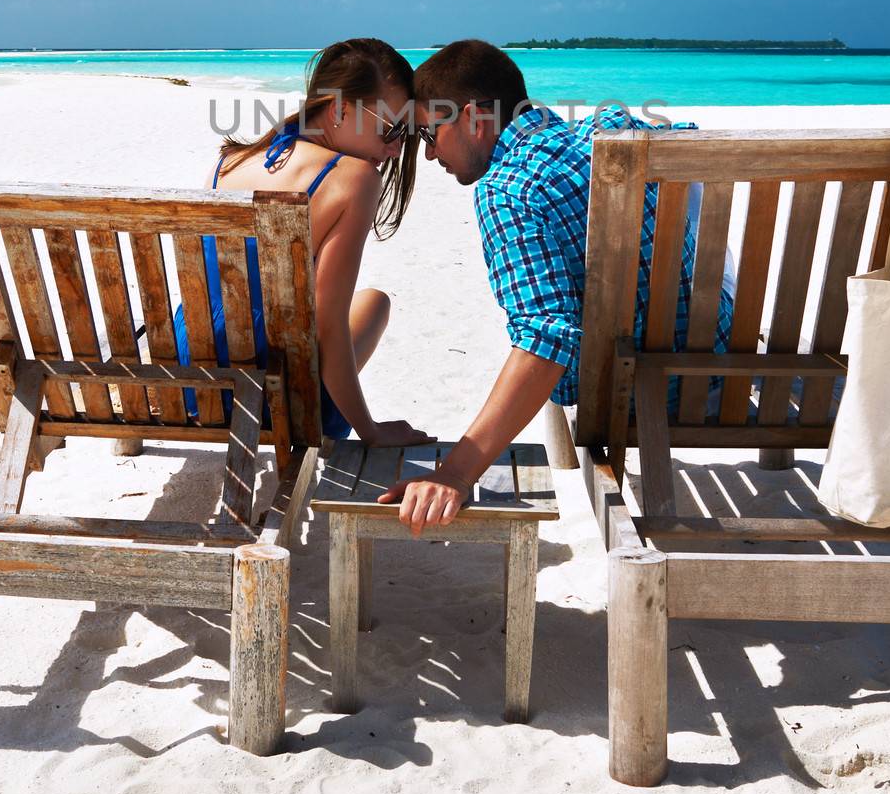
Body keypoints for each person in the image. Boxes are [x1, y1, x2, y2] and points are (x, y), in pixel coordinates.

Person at [381, 39, 733, 532]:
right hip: (723, 360)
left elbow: (546, 339)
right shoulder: (616, 127)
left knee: (547, 311)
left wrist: (456, 473)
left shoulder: (507, 189)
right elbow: (685, 133)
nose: (430, 152)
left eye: (428, 133)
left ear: (473, 119)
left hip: (639, 395)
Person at [177, 37, 431, 448]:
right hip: (277, 399)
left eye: (407, 132)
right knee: (374, 303)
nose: (397, 146)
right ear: (339, 109)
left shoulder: (229, 161)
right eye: (391, 128)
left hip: (189, 379)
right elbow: (328, 327)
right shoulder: (354, 178)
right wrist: (371, 430)